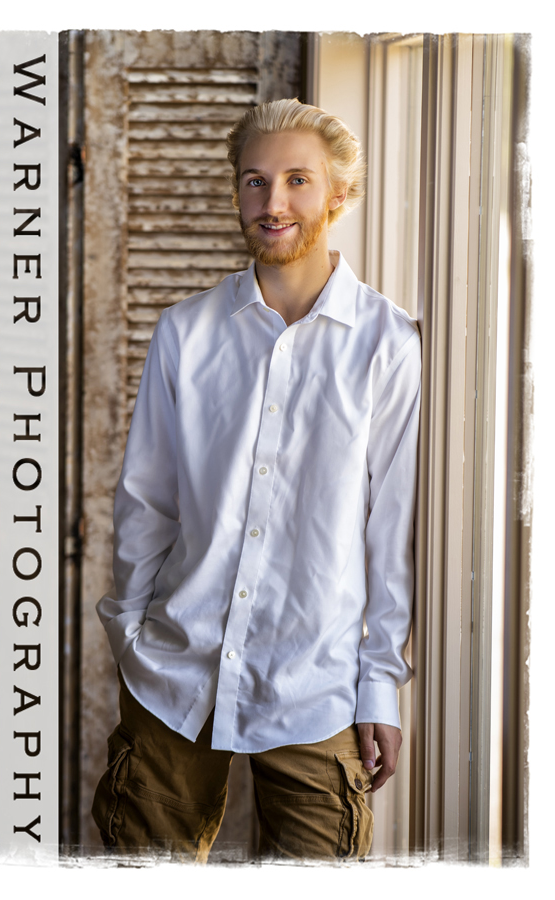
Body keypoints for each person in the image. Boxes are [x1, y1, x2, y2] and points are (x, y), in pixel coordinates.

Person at [92, 98, 421, 864]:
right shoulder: (185, 331)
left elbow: (392, 529)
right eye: (254, 181)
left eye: (297, 180)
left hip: (318, 689)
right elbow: (146, 503)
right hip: (171, 680)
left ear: (338, 195)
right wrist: (130, 637)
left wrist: (380, 688)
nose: (272, 204)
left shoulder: (388, 344)